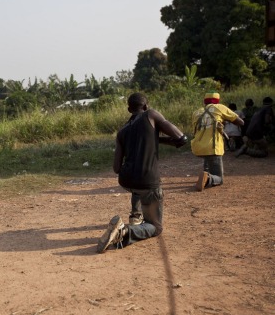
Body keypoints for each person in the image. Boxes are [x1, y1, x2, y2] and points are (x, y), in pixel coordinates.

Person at [96, 93, 187, 254]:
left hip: (126, 180)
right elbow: (181, 138)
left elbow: (116, 168)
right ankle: (124, 231)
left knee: (138, 189)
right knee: (155, 227)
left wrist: (154, 138)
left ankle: (135, 215)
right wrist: (158, 137)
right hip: (147, 180)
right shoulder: (151, 115)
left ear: (129, 109)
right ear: (145, 106)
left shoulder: (122, 131)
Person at [191, 92, 244, 191]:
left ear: (204, 101)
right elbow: (240, 122)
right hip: (212, 148)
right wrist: (226, 120)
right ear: (217, 101)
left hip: (198, 147)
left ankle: (205, 173)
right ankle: (208, 179)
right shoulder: (219, 107)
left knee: (208, 159)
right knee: (219, 178)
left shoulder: (196, 112)